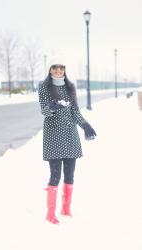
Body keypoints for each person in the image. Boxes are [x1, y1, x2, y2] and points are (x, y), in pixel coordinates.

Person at [38, 64, 97, 224]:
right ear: (50, 70)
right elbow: (43, 110)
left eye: (61, 68)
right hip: (53, 135)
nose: (58, 71)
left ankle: (66, 208)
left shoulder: (70, 87)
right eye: (55, 68)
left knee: (70, 175)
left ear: (64, 70)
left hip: (71, 135)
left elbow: (75, 112)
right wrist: (52, 107)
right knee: (55, 175)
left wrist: (85, 125)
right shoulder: (44, 86)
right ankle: (50, 213)